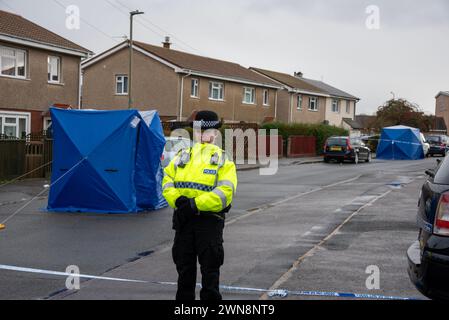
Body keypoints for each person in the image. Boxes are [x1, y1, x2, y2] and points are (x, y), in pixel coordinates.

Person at [162, 111, 238, 301]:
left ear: (215, 133)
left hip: (209, 224)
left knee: (210, 275)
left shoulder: (223, 159)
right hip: (184, 222)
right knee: (184, 274)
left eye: (208, 130)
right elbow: (167, 181)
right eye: (199, 130)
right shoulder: (182, 156)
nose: (203, 135)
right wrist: (178, 201)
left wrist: (194, 205)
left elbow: (224, 195)